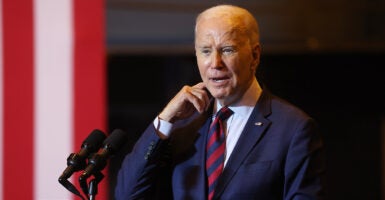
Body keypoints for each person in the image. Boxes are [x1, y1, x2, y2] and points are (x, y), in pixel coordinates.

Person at [115, 4, 325, 200]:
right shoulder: (182, 125)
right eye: (206, 51)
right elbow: (127, 194)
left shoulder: (294, 129)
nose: (215, 63)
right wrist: (165, 120)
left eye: (227, 50)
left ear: (254, 55)